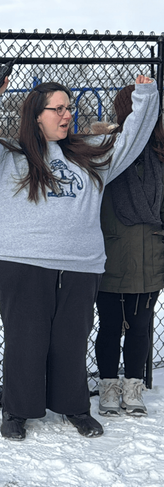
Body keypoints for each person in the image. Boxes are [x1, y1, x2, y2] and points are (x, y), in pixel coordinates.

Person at [0, 66, 159, 441]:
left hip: (80, 265)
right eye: (59, 108)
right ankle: (17, 411)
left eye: (69, 108)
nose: (68, 114)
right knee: (26, 339)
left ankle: (74, 407)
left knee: (72, 339)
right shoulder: (8, 157)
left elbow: (131, 140)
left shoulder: (90, 157)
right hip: (20, 261)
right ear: (37, 117)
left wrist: (145, 98)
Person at [94, 86, 164, 417]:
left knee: (140, 327)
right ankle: (108, 384)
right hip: (110, 253)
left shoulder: (161, 154)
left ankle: (133, 384)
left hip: (150, 255)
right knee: (109, 326)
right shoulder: (108, 153)